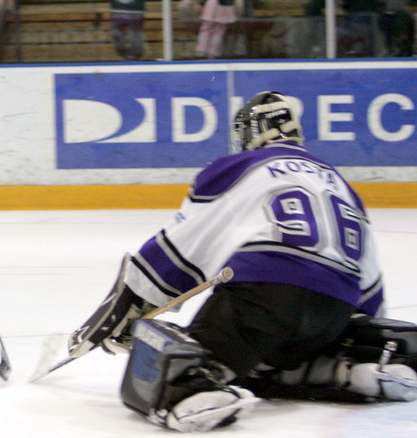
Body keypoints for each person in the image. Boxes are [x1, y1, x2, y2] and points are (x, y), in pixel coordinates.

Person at [67, 92, 417, 432]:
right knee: (264, 366)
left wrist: (136, 301)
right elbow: (369, 286)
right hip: (333, 310)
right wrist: (358, 329)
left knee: (187, 361)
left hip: (263, 299)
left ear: (250, 133)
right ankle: (347, 368)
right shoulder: (341, 183)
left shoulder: (238, 166)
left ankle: (192, 393)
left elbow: (181, 245)